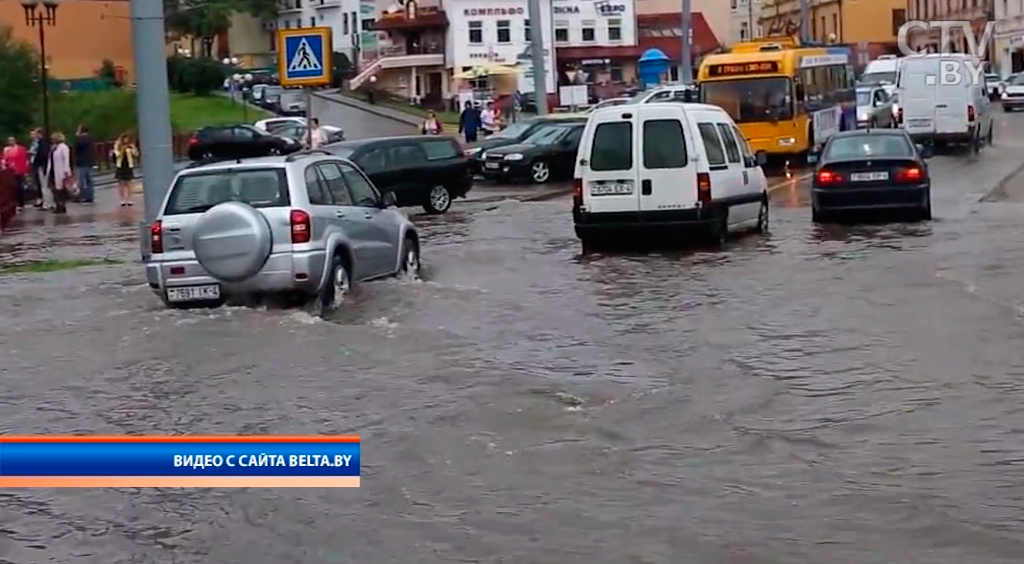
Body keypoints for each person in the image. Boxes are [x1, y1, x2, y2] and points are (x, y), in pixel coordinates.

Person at [45, 131, 72, 214]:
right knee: (54, 189)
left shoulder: (63, 147)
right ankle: (58, 204)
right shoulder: (54, 148)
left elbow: (66, 159)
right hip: (53, 171)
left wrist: (66, 171)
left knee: (61, 190)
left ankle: (62, 205)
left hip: (61, 171)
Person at [2, 136, 30, 210]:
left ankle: (21, 202)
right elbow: (4, 159)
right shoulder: (6, 149)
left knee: (19, 186)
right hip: (9, 170)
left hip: (18, 170)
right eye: (9, 141)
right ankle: (14, 202)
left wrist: (25, 170)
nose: (11, 142)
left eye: (12, 140)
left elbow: (24, 160)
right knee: (11, 187)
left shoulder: (21, 149)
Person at [111, 133, 138, 206]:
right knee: (121, 183)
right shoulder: (117, 145)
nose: (126, 140)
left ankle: (129, 199)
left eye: (127, 139)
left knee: (129, 183)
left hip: (128, 166)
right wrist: (122, 149)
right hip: (120, 166)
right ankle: (122, 199)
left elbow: (136, 154)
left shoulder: (131, 146)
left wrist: (132, 149)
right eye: (125, 139)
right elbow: (117, 155)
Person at [73, 124, 95, 203]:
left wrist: (77, 136)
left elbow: (76, 146)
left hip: (82, 162)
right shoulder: (90, 138)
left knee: (81, 180)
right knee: (89, 180)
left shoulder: (81, 139)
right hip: (90, 161)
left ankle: (83, 196)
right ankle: (90, 196)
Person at [31, 128, 51, 209]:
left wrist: (37, 159)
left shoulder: (42, 143)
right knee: (43, 184)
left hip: (41, 165)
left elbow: (43, 154)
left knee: (44, 185)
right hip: (42, 165)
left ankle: (47, 203)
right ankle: (46, 202)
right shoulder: (42, 142)